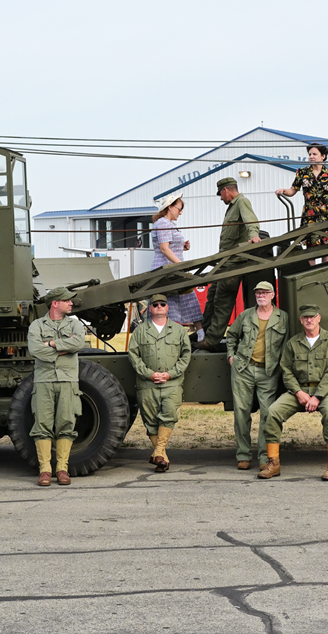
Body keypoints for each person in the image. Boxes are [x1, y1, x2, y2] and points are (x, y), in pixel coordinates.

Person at [258, 304, 328, 481]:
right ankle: (273, 463)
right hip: (300, 391)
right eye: (305, 317)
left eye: (312, 317)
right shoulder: (293, 343)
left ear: (319, 318)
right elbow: (286, 370)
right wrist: (298, 392)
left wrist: (318, 396)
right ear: (301, 320)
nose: (309, 320)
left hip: (325, 392)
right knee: (273, 412)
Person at [224, 280, 289, 470]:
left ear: (272, 295)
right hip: (243, 369)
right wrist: (231, 356)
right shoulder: (245, 316)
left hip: (268, 372)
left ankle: (264, 457)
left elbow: (286, 344)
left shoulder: (282, 317)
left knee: (267, 415)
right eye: (258, 292)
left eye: (264, 292)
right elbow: (232, 336)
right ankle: (243, 454)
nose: (261, 295)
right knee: (241, 413)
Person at [27, 287, 86, 487]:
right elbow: (35, 350)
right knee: (42, 425)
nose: (71, 303)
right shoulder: (36, 325)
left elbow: (78, 344)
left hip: (68, 380)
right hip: (43, 380)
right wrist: (62, 348)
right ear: (55, 303)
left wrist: (51, 344)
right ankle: (45, 470)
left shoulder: (75, 324)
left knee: (66, 424)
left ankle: (62, 469)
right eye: (67, 300)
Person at [128, 293, 192, 472]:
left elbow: (186, 355)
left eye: (162, 304)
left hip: (171, 383)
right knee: (150, 421)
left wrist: (170, 374)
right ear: (150, 308)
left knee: (169, 415)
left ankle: (158, 453)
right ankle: (161, 457)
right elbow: (133, 355)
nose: (159, 307)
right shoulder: (140, 331)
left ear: (167, 307)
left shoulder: (178, 330)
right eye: (155, 304)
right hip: (147, 384)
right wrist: (149, 374)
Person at [196, 177, 261, 351]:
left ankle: (212, 339)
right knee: (211, 296)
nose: (220, 198)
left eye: (220, 195)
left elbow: (251, 220)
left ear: (225, 191)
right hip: (224, 262)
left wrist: (254, 235)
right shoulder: (232, 207)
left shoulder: (242, 202)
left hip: (234, 262)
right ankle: (203, 333)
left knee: (222, 300)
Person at [149, 192, 204, 339]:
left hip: (173, 268)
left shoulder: (168, 225)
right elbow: (164, 248)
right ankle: (196, 333)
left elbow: (170, 246)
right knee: (172, 301)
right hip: (166, 268)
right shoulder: (162, 223)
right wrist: (181, 265)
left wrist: (182, 246)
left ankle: (199, 333)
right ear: (170, 207)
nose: (180, 212)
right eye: (179, 209)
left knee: (187, 297)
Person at [275, 144, 328, 249]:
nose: (311, 156)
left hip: (327, 215)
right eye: (310, 154)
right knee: (310, 249)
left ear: (323, 156)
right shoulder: (302, 172)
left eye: (314, 154)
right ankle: (312, 266)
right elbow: (293, 190)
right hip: (309, 215)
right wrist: (283, 190)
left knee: (327, 248)